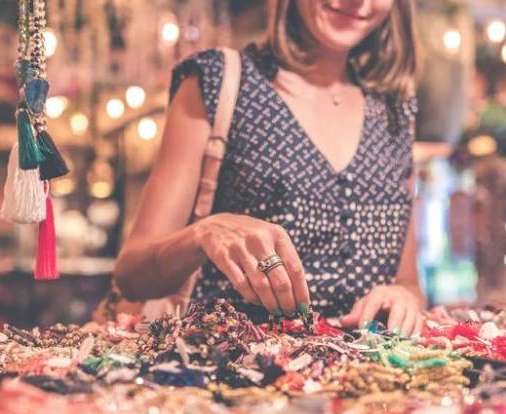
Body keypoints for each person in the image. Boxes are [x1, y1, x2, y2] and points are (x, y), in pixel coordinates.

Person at [114, 0, 425, 334]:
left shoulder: (395, 109)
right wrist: (204, 233)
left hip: (371, 378)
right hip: (233, 372)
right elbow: (133, 277)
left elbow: (407, 282)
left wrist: (403, 296)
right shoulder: (219, 80)